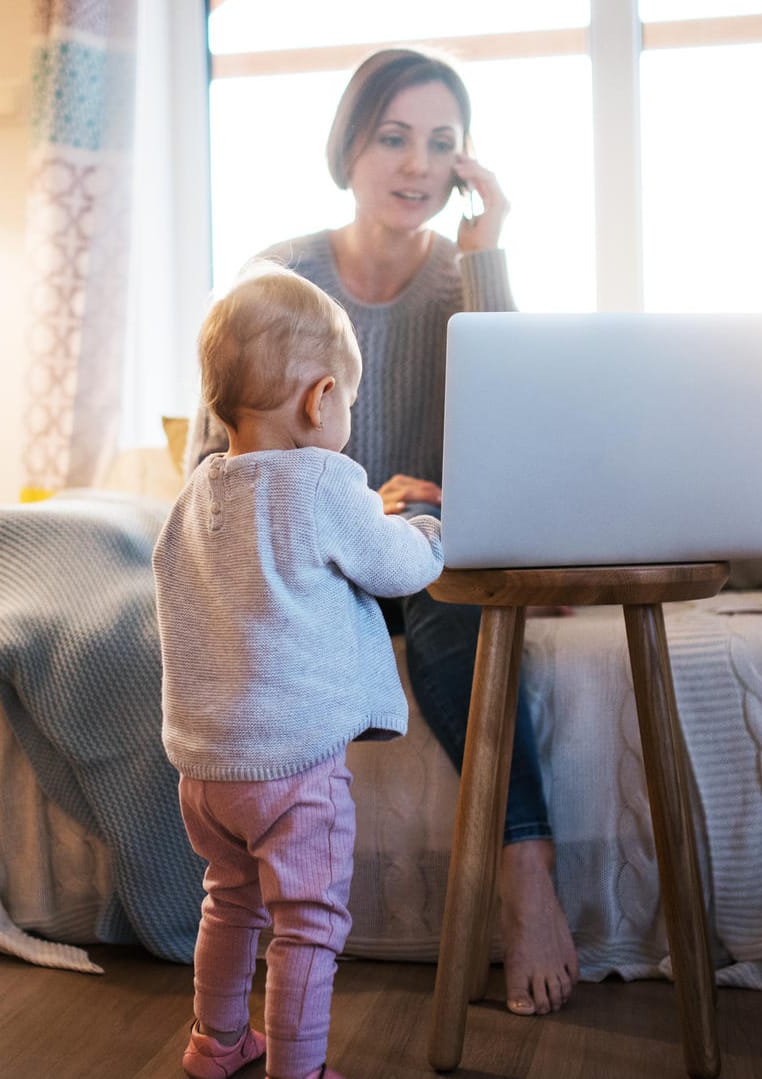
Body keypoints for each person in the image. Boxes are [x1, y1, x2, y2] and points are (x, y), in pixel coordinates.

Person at [184, 47, 581, 1017]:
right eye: (393, 137)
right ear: (350, 148)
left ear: (466, 164)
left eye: (441, 143)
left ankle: (526, 872)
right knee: (419, 575)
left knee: (450, 606)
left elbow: (524, 445)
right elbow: (211, 469)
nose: (417, 165)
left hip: (425, 559)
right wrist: (352, 500)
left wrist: (489, 254)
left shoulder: (463, 276)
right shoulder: (278, 275)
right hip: (304, 558)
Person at [157, 265, 444, 1079]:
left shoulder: (194, 497)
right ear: (320, 399)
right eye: (347, 400)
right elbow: (394, 568)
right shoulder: (324, 481)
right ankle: (301, 1069)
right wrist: (426, 529)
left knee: (231, 900)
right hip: (293, 768)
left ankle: (215, 1043)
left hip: (207, 769)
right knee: (308, 923)